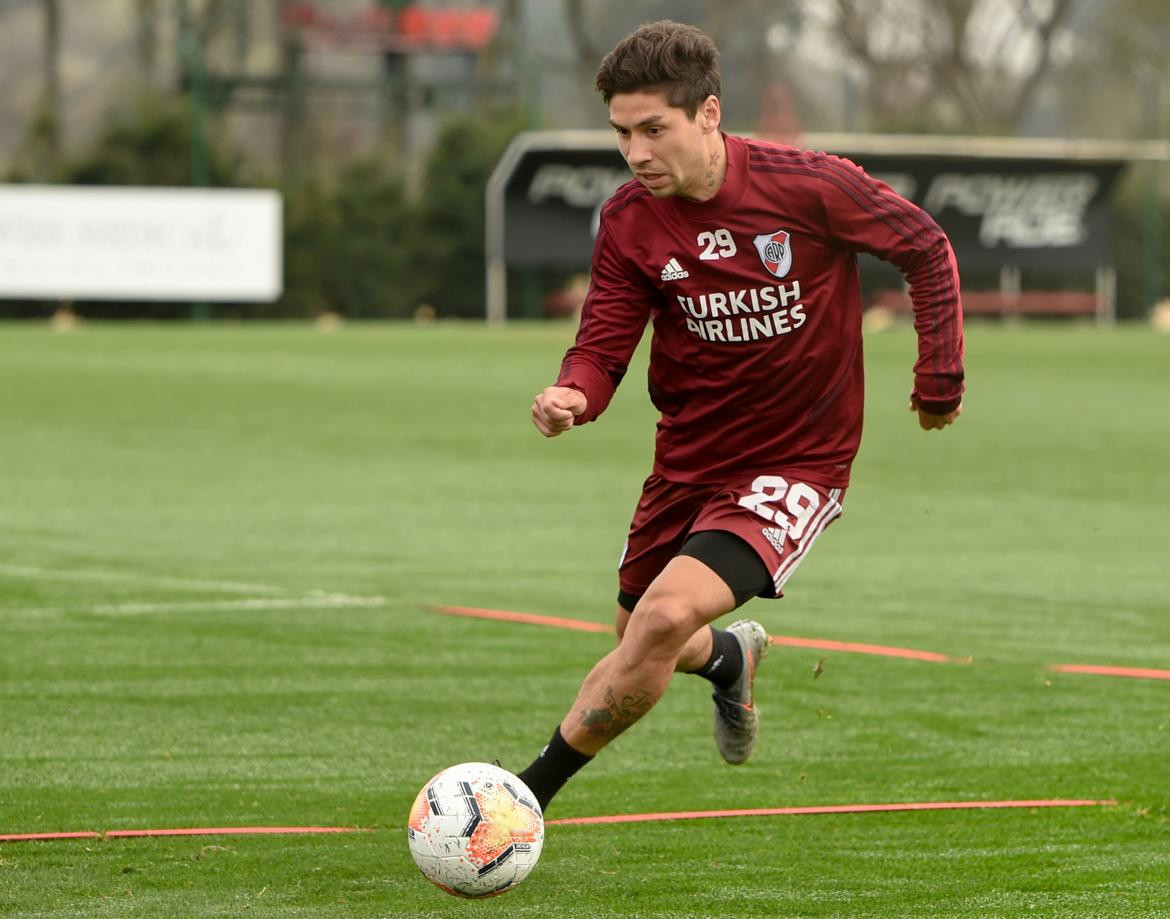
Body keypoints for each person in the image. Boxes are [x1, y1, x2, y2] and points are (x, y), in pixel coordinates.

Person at [517, 20, 964, 812]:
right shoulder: (629, 221)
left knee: (659, 616)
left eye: (655, 130)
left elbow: (924, 246)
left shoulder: (810, 185)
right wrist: (572, 395)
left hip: (798, 459)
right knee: (640, 638)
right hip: (688, 459)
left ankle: (521, 796)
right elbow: (604, 344)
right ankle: (728, 659)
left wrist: (938, 377)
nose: (637, 152)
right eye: (622, 134)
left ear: (709, 114)